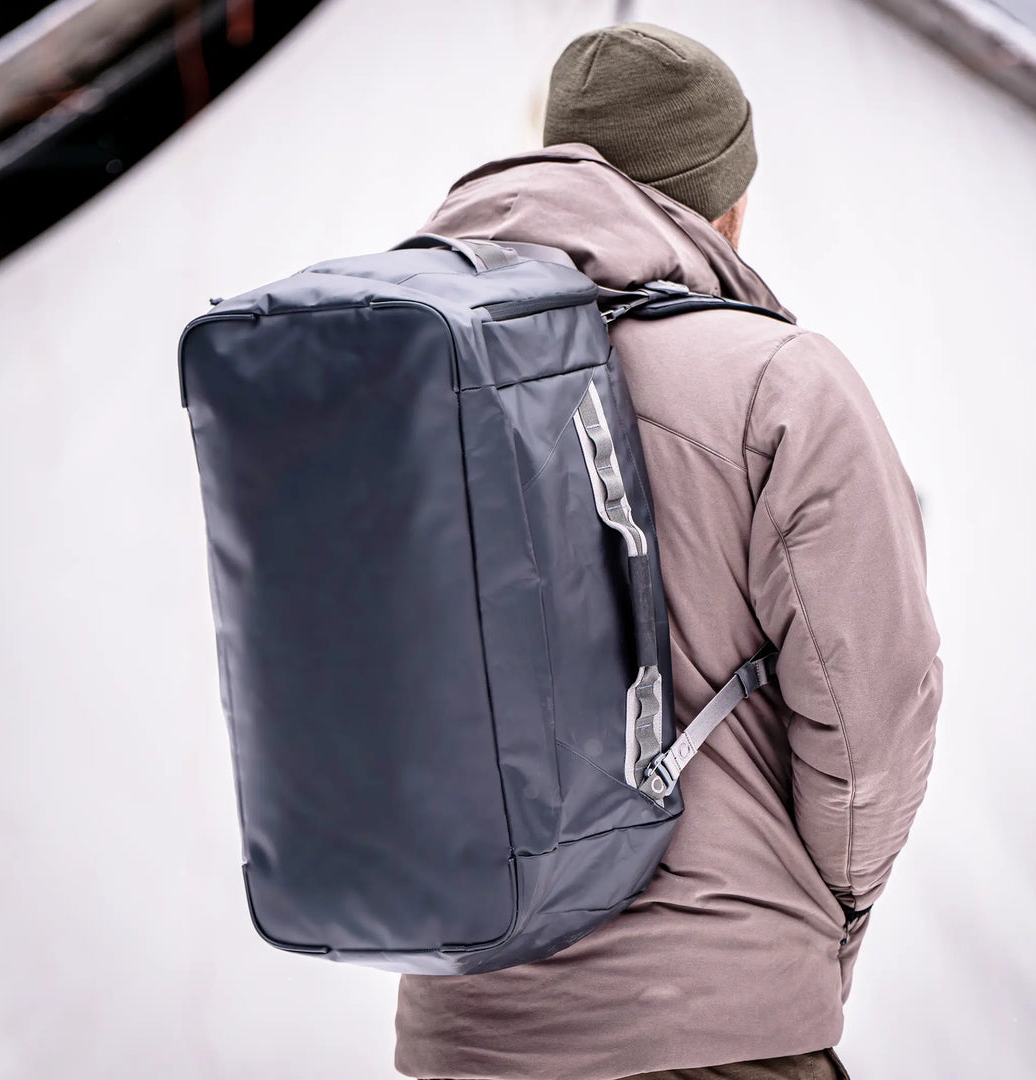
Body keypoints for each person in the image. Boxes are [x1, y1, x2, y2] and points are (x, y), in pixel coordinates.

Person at [395, 22, 942, 1080]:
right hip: (709, 1023)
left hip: (464, 1029)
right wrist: (823, 909)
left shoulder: (409, 371)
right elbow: (876, 704)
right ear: (726, 207)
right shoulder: (775, 381)